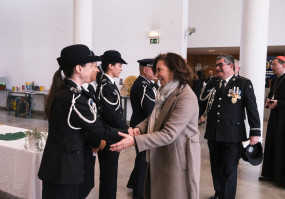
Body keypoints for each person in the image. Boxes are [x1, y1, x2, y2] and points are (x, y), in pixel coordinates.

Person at [38, 44, 127, 199]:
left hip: (64, 168)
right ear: (79, 68)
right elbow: (98, 129)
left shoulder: (69, 92)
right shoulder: (72, 97)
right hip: (63, 170)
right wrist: (129, 133)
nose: (96, 69)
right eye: (92, 65)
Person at [110, 52, 201, 199]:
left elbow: (169, 134)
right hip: (163, 154)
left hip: (177, 159)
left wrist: (134, 141)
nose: (156, 74)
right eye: (155, 69)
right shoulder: (166, 92)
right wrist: (138, 129)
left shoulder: (185, 96)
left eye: (159, 70)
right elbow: (153, 117)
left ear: (173, 70)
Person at [199, 54, 261, 199]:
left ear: (232, 66)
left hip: (233, 135)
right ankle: (219, 194)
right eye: (216, 65)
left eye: (221, 65)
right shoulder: (212, 83)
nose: (217, 68)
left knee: (229, 169)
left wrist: (255, 132)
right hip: (213, 133)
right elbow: (201, 105)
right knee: (216, 167)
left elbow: (252, 109)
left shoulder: (243, 84)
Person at [95, 50, 129, 199]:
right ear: (110, 65)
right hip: (109, 136)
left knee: (109, 175)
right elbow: (113, 114)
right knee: (109, 176)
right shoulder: (106, 86)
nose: (121, 69)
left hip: (111, 134)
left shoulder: (107, 83)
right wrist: (127, 130)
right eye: (119, 65)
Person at [127, 58, 157, 199]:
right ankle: (138, 193)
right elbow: (150, 109)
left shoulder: (145, 84)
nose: (156, 72)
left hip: (139, 125)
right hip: (142, 127)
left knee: (141, 158)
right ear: (145, 69)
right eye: (153, 69)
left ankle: (133, 184)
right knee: (143, 161)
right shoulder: (143, 86)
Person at [259, 56, 285, 185]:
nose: (271, 67)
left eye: (274, 64)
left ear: (283, 65)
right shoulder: (274, 81)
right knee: (271, 144)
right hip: (275, 118)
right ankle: (270, 174)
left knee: (281, 146)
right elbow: (271, 95)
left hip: (283, 120)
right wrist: (268, 101)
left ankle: (281, 178)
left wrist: (279, 104)